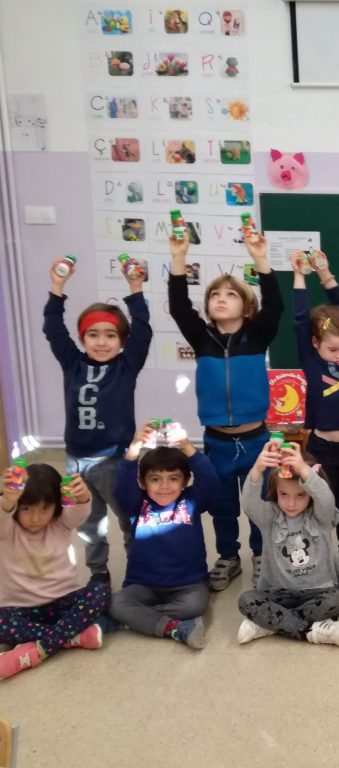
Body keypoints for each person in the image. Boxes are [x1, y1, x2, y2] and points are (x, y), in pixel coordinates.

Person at [168, 229, 282, 590]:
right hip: (216, 441)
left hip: (256, 440)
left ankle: (261, 554)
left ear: (246, 307)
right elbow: (178, 307)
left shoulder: (256, 335)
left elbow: (275, 306)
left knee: (259, 501)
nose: (221, 299)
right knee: (222, 504)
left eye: (231, 294)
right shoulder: (202, 338)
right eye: (215, 295)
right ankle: (229, 556)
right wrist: (178, 258)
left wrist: (260, 258)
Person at [43, 255, 152, 583]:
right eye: (93, 335)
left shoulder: (126, 365)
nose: (101, 342)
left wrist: (136, 288)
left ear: (122, 341)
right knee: (89, 523)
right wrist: (57, 287)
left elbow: (142, 330)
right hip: (76, 459)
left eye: (110, 335)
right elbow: (53, 328)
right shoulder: (72, 362)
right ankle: (98, 574)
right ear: (82, 339)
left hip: (114, 460)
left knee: (130, 516)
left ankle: (140, 570)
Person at [291, 250, 339, 574]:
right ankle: (319, 553)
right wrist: (299, 275)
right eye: (332, 349)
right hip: (322, 447)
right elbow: (299, 319)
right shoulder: (311, 359)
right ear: (315, 343)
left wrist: (325, 274)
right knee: (321, 502)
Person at [109, 423, 218, 649]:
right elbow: (122, 484)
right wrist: (135, 446)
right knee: (116, 603)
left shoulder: (192, 501)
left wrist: (186, 445)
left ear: (185, 481)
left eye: (173, 478)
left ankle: (137, 620)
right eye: (155, 479)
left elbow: (210, 481)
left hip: (188, 584)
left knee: (196, 605)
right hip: (143, 585)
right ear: (142, 482)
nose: (164, 486)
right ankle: (174, 626)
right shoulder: (136, 503)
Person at [236, 441, 339, 647]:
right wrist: (257, 468)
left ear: (310, 494)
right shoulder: (269, 517)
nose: (291, 503)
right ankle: (309, 631)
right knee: (246, 600)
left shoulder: (321, 516)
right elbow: (249, 504)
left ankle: (271, 624)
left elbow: (326, 498)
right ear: (275, 492)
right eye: (284, 494)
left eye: (300, 495)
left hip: (319, 590)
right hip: (278, 592)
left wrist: (303, 469)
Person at [0, 466, 108, 680]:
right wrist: (8, 500)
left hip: (64, 603)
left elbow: (81, 510)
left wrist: (82, 495)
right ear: (17, 507)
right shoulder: (7, 529)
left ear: (57, 506)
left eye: (45, 508)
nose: (35, 518)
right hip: (22, 609)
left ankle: (38, 648)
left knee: (100, 591)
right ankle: (71, 637)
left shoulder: (61, 523)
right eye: (27, 509)